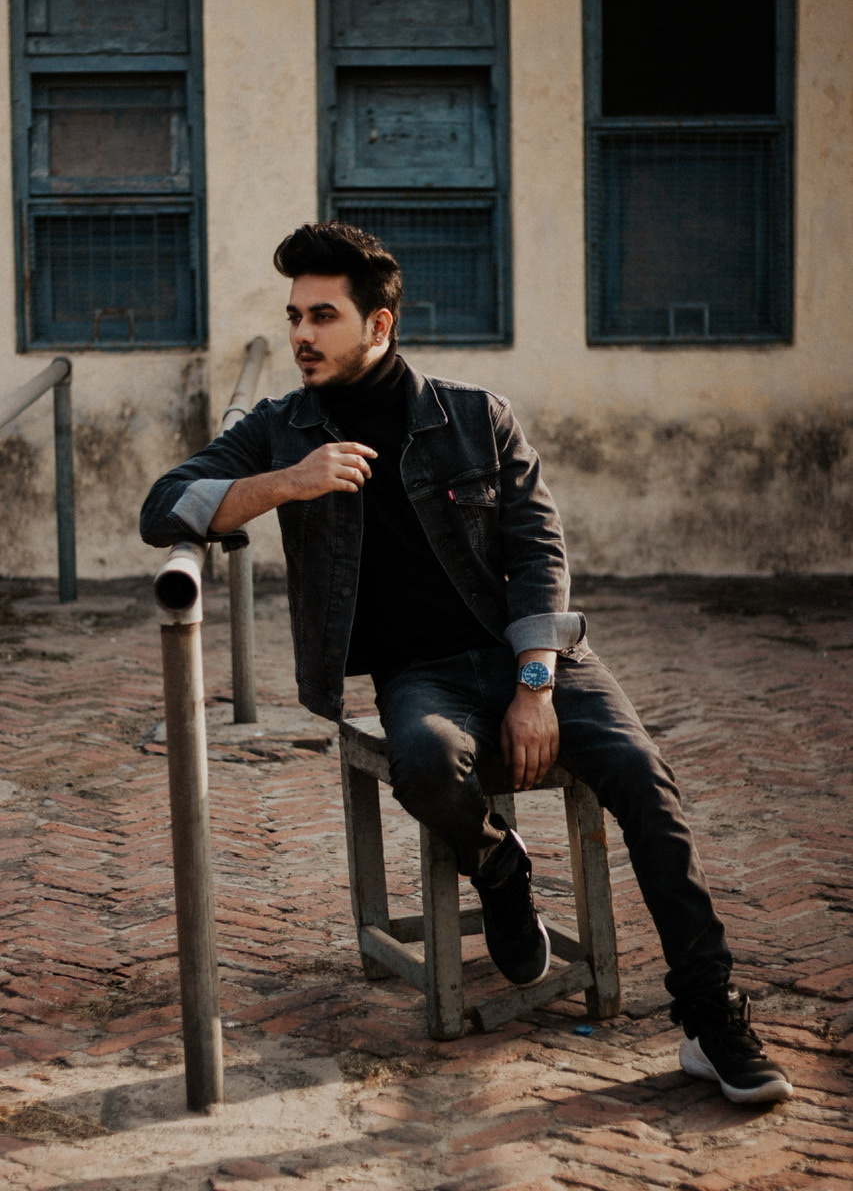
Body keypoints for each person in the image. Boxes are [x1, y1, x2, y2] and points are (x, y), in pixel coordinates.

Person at [140, 221, 792, 1106]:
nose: (300, 335)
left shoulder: (475, 417)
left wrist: (534, 685)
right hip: (424, 677)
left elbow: (539, 555)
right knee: (424, 760)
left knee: (644, 779)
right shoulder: (281, 429)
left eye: (323, 316)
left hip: (532, 655)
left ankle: (711, 1020)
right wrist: (286, 483)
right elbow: (164, 509)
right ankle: (499, 870)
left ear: (378, 324)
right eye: (294, 315)